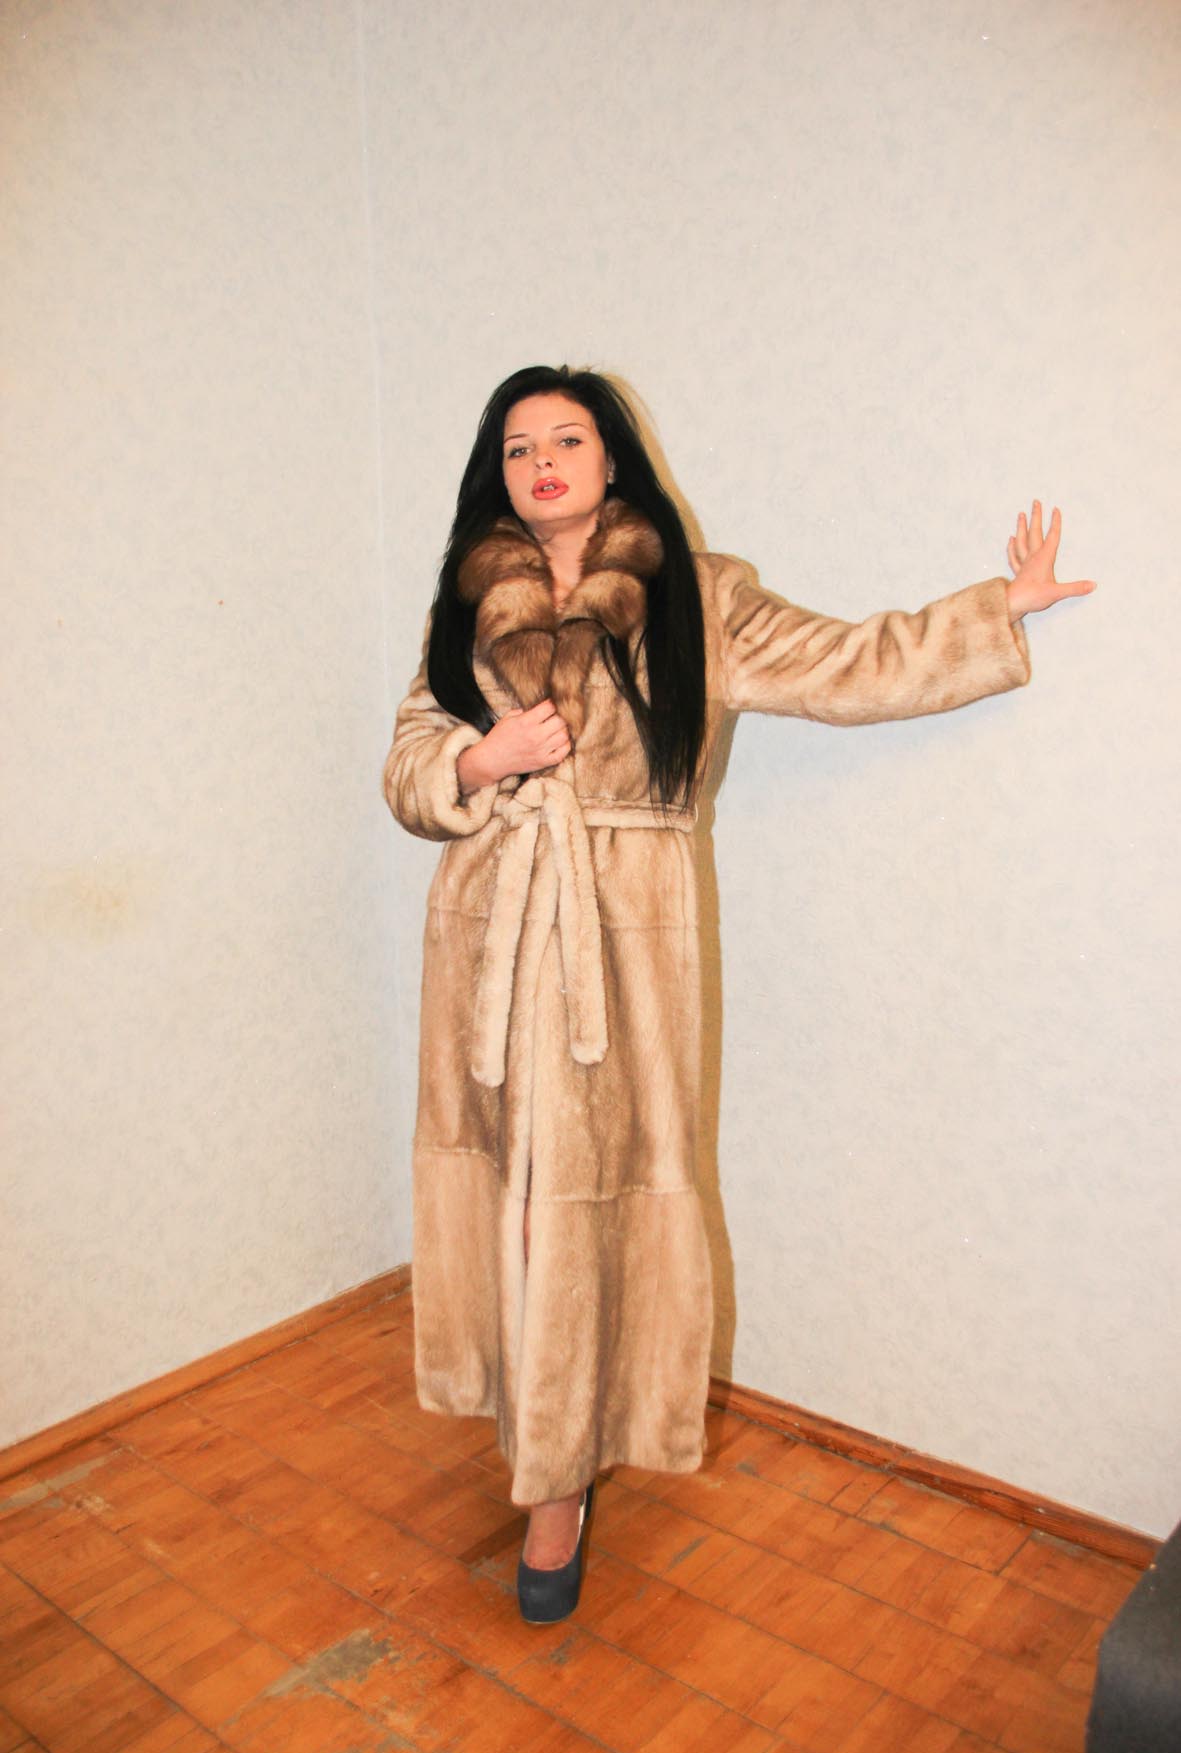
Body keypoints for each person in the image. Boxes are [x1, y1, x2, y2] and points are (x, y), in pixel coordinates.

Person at [383, 364, 1094, 1624]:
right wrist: (480, 761)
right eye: (518, 445)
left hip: (619, 939)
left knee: (595, 1207)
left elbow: (846, 662)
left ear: (612, 459)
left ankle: (558, 1486)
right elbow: (404, 763)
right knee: (513, 1203)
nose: (540, 461)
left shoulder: (697, 599)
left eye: (566, 438)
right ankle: (533, 1425)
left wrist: (999, 609)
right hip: (487, 939)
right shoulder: (465, 605)